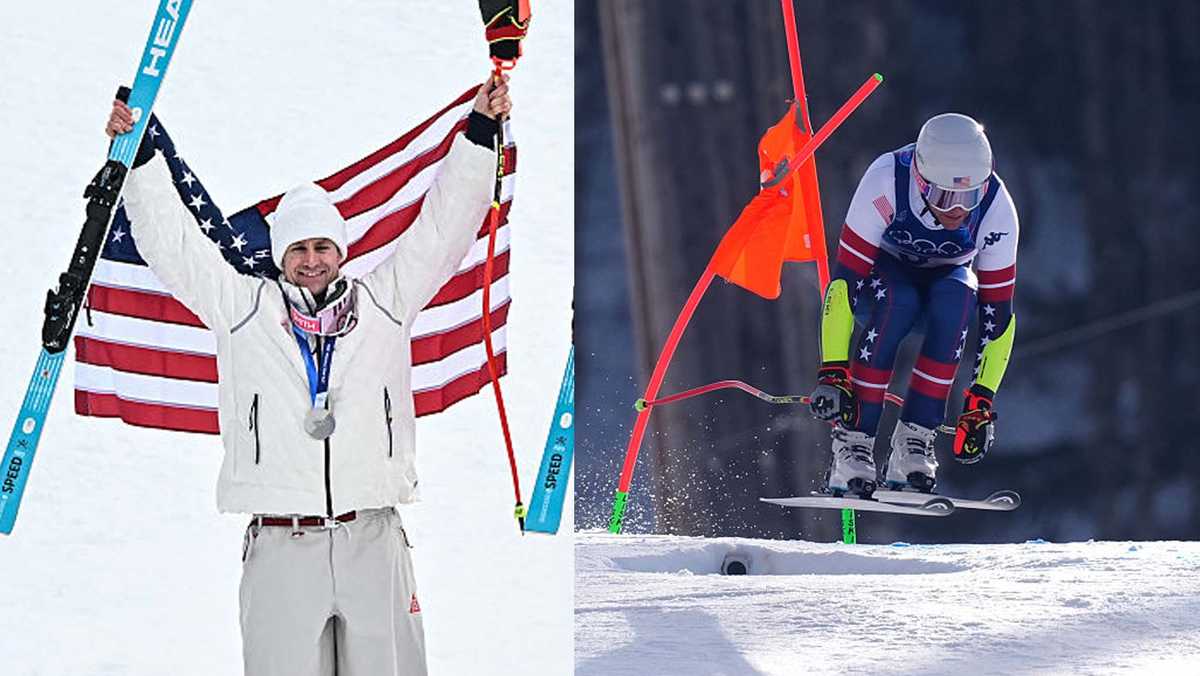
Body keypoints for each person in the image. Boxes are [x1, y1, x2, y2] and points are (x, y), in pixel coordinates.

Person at [105, 76, 512, 675]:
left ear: (341, 251)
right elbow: (175, 245)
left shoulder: (386, 303)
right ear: (280, 256)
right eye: (299, 249)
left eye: (324, 245)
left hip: (371, 536)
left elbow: (445, 227)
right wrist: (139, 159)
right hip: (280, 545)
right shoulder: (241, 309)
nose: (312, 258)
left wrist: (480, 133)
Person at [808, 113, 1019, 496]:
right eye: (944, 197)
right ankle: (852, 444)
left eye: (968, 197)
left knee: (960, 297)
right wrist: (833, 371)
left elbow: (998, 316)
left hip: (946, 283)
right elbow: (843, 285)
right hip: (883, 278)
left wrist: (980, 400)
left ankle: (914, 442)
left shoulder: (997, 209)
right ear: (921, 183)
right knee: (899, 300)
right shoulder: (886, 180)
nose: (957, 210)